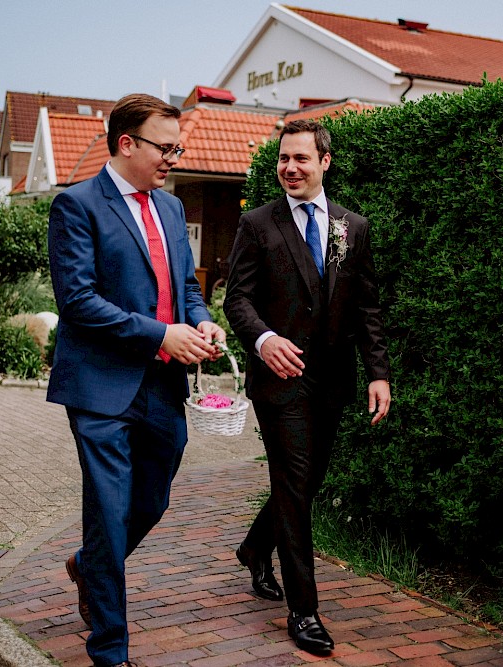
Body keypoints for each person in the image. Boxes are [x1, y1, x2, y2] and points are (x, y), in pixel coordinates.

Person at [47, 93, 225, 667]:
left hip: (162, 387)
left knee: (150, 499)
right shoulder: (76, 205)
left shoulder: (171, 209)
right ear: (127, 143)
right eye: (164, 147)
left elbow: (187, 287)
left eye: (178, 148)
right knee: (108, 505)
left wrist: (199, 321)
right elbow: (77, 302)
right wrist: (159, 334)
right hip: (100, 386)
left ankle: (87, 563)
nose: (172, 158)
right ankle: (110, 649)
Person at [224, 118, 391, 655]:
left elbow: (367, 306)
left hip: (333, 382)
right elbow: (236, 299)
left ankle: (255, 548)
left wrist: (379, 372)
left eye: (300, 159)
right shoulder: (257, 224)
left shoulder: (352, 227)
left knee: (307, 482)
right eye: (282, 159)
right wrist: (264, 339)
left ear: (324, 162)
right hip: (279, 381)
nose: (289, 168)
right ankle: (304, 610)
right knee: (295, 487)